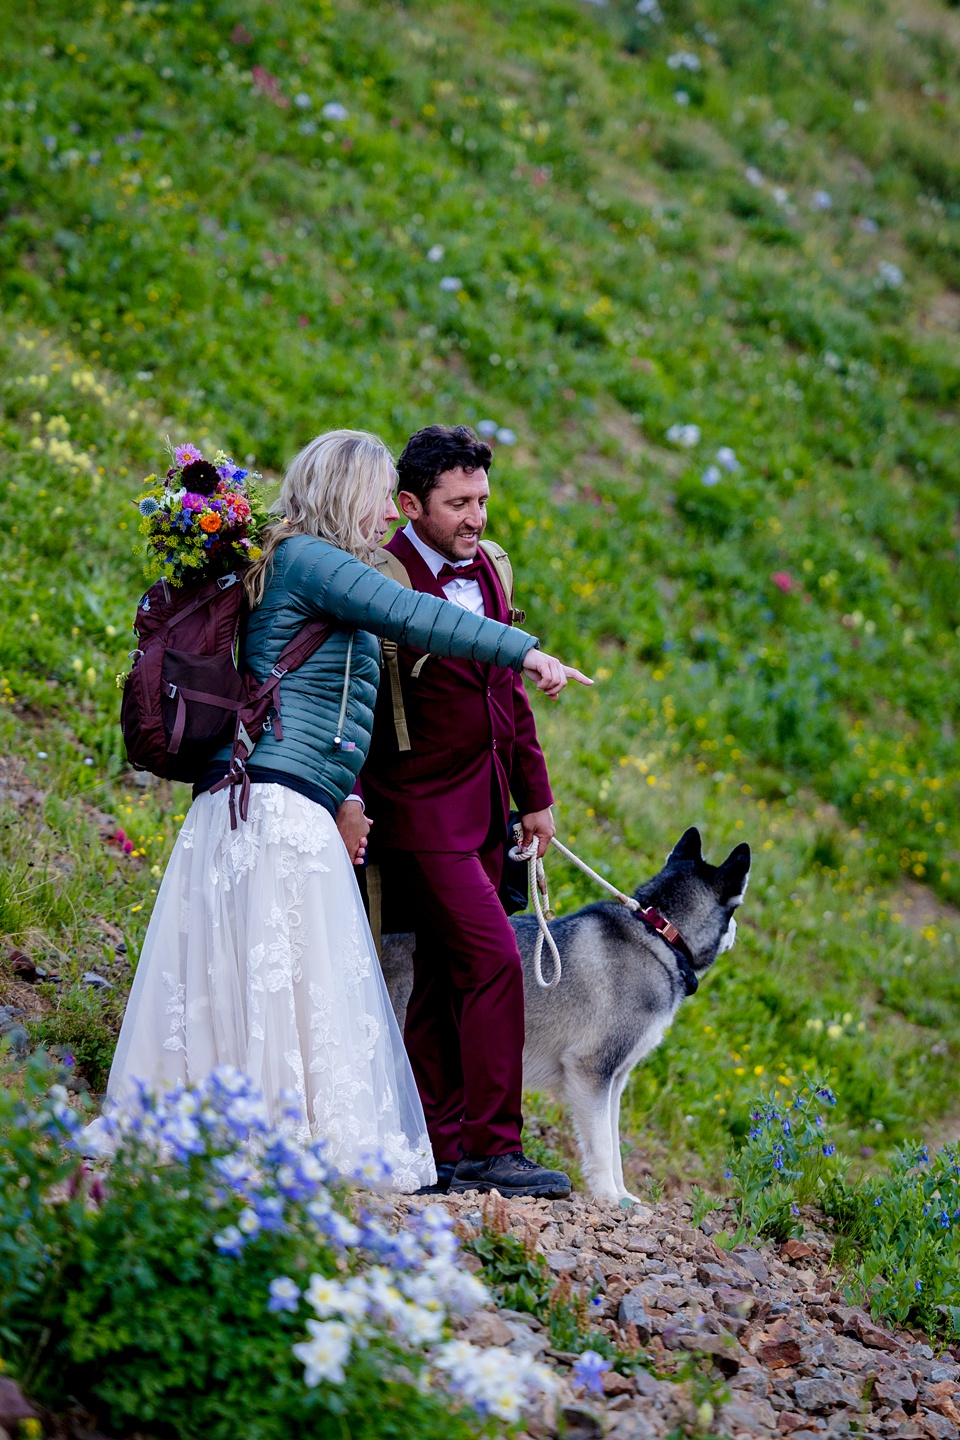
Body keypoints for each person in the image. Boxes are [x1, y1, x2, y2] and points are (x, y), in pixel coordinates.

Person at [103, 429, 586, 1192]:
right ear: (343, 496)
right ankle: (268, 1135)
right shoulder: (312, 560)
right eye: (373, 500)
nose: (381, 518)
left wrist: (353, 792)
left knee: (272, 977)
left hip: (276, 802)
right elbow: (412, 615)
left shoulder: (304, 563)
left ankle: (252, 1127)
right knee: (285, 975)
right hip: (275, 803)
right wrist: (523, 649)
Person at [358, 425, 581, 1199]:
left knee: (444, 977)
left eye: (482, 500)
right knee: (492, 962)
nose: (475, 518)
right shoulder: (379, 577)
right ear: (410, 503)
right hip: (415, 809)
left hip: (488, 809)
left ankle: (438, 1144)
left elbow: (506, 692)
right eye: (458, 504)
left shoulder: (490, 568)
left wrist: (535, 799)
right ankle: (494, 1147)